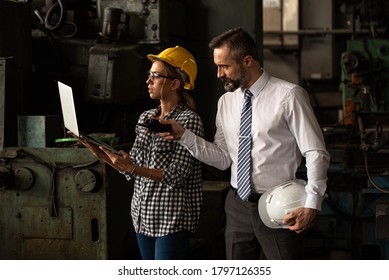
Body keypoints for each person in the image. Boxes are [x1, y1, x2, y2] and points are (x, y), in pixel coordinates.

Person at [159, 27, 330, 260]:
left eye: (225, 66)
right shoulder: (226, 102)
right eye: (217, 66)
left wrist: (312, 203)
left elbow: (315, 152)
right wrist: (184, 136)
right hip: (237, 204)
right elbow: (222, 159)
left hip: (281, 204)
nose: (219, 74)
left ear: (247, 61)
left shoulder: (289, 96)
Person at [72, 46, 204, 260]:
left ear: (174, 83)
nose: (148, 81)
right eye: (149, 75)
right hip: (143, 216)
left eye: (155, 76)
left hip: (171, 219)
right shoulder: (146, 118)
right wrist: (101, 154)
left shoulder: (189, 121)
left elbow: (178, 175)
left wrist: (132, 167)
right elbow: (132, 166)